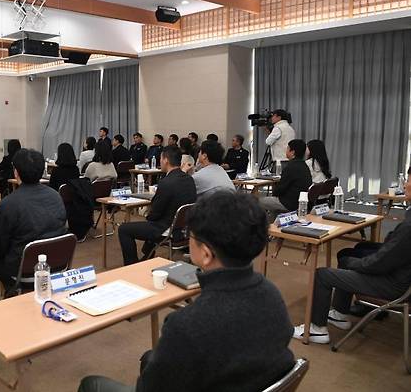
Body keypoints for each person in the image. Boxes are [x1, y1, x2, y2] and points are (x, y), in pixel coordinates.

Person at [79, 192, 295, 392]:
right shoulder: (272, 294)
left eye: (190, 235)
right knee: (151, 358)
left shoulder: (187, 325)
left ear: (206, 254)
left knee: (92, 384)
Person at [293, 166, 411, 344]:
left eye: (408, 181)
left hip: (394, 285)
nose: (405, 185)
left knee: (323, 274)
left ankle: (317, 329)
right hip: (400, 277)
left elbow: (380, 263)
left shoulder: (409, 228)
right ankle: (340, 313)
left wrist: (354, 263)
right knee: (353, 251)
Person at [0, 149, 67, 304]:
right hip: (56, 266)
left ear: (16, 172)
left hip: (22, 272)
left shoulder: (9, 204)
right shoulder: (56, 196)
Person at [118, 146, 197, 265]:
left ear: (165, 160)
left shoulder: (166, 183)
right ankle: (147, 256)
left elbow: (155, 212)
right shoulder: (189, 179)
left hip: (166, 228)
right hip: (183, 228)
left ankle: (131, 265)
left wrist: (148, 216)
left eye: (160, 158)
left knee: (124, 229)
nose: (160, 162)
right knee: (150, 222)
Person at [259, 139, 312, 217]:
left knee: (258, 201)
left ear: (292, 152)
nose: (286, 150)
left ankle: (260, 226)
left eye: (287, 148)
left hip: (289, 203)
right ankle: (273, 222)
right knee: (273, 204)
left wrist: (274, 193)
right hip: (300, 201)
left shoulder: (291, 167)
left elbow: (280, 189)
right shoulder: (304, 165)